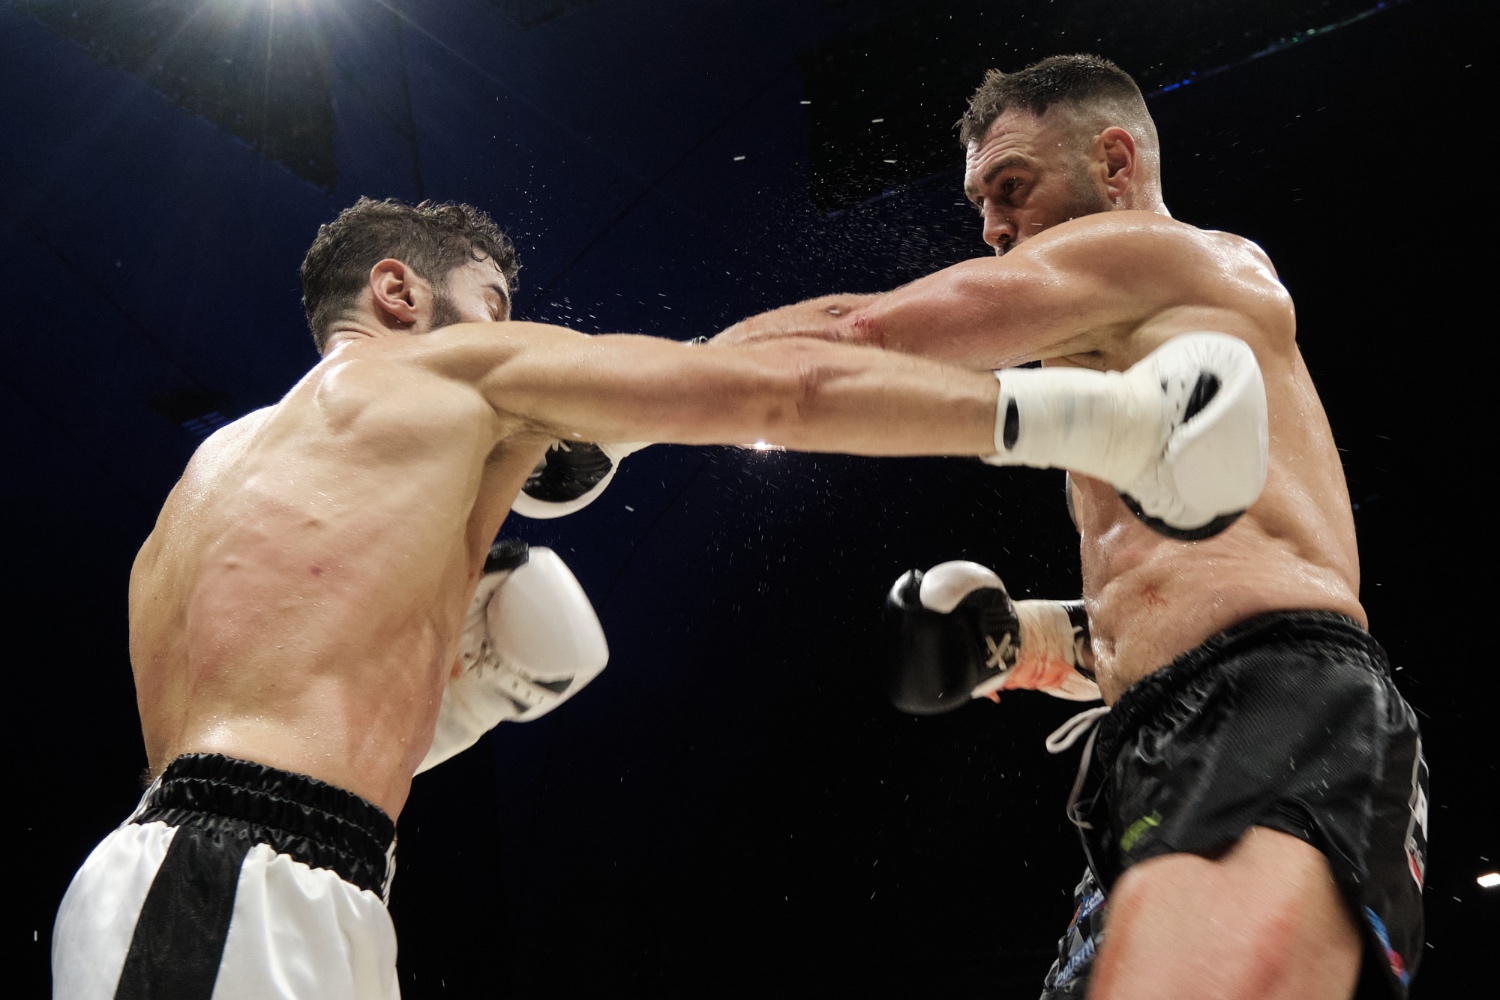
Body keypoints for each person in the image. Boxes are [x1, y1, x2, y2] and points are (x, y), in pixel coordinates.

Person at [50, 196, 1251, 999]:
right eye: (496, 306)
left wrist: (451, 710)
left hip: (259, 869)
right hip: (237, 882)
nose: (517, 340)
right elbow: (780, 395)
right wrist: (1110, 421)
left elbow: (270, 697)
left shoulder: (215, 474)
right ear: (402, 295)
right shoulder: (454, 372)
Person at [715, 55, 1425, 1000]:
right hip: (1184, 731)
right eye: (980, 206)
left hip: (1272, 708)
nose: (994, 230)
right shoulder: (1128, 367)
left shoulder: (1163, 256)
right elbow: (1192, 597)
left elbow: (862, 336)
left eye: (1013, 189)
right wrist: (1024, 642)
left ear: (1117, 164)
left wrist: (616, 407)